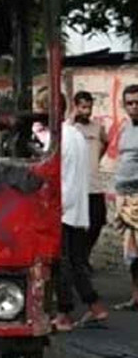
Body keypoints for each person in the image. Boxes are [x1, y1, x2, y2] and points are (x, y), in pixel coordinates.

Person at [54, 93, 108, 331]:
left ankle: (64, 313)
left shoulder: (58, 137)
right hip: (77, 206)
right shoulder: (75, 134)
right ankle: (95, 306)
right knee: (77, 260)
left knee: (63, 262)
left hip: (63, 207)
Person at [72, 91, 109, 268]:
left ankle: (84, 254)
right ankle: (79, 260)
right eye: (83, 107)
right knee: (77, 226)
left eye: (89, 107)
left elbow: (105, 143)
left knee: (98, 220)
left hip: (94, 184)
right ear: (76, 107)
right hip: (77, 186)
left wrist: (95, 160)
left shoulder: (97, 127)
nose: (86, 111)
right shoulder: (71, 128)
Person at [114, 84, 138, 311]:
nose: (133, 107)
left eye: (137, 103)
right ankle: (135, 297)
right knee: (130, 254)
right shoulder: (126, 128)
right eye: (129, 103)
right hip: (124, 196)